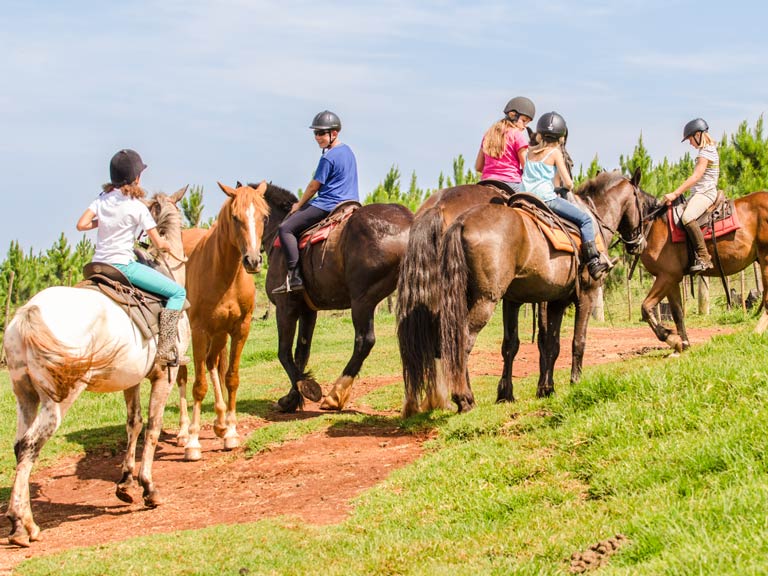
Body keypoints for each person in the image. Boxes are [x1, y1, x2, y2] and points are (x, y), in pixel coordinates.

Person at [76, 149, 188, 366]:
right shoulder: (137, 207)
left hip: (97, 265)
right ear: (136, 178)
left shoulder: (101, 200)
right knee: (177, 292)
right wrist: (167, 247)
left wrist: (102, 222)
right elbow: (156, 242)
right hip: (123, 267)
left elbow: (81, 225)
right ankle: (165, 349)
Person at [272, 110, 359, 294]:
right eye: (315, 133)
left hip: (328, 204)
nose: (317, 137)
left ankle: (294, 276)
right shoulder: (348, 151)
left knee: (285, 228)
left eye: (321, 133)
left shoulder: (328, 157)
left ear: (334, 133)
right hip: (351, 203)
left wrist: (299, 205)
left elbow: (314, 187)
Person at [521, 111, 609, 280]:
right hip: (546, 200)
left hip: (524, 197)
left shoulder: (529, 151)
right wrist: (565, 187)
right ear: (561, 138)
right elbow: (568, 183)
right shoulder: (555, 153)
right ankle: (593, 262)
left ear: (539, 135)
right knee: (585, 220)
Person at [663, 118, 718, 273]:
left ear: (698, 135)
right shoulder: (706, 150)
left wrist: (675, 193)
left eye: (690, 139)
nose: (690, 143)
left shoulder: (706, 152)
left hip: (705, 193)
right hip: (699, 193)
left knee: (688, 217)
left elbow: (696, 177)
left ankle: (704, 258)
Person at [474, 96, 535, 192]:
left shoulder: (488, 134)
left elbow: (478, 166)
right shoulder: (517, 135)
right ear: (512, 115)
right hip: (511, 184)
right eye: (523, 121)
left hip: (486, 182)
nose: (524, 127)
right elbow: (527, 168)